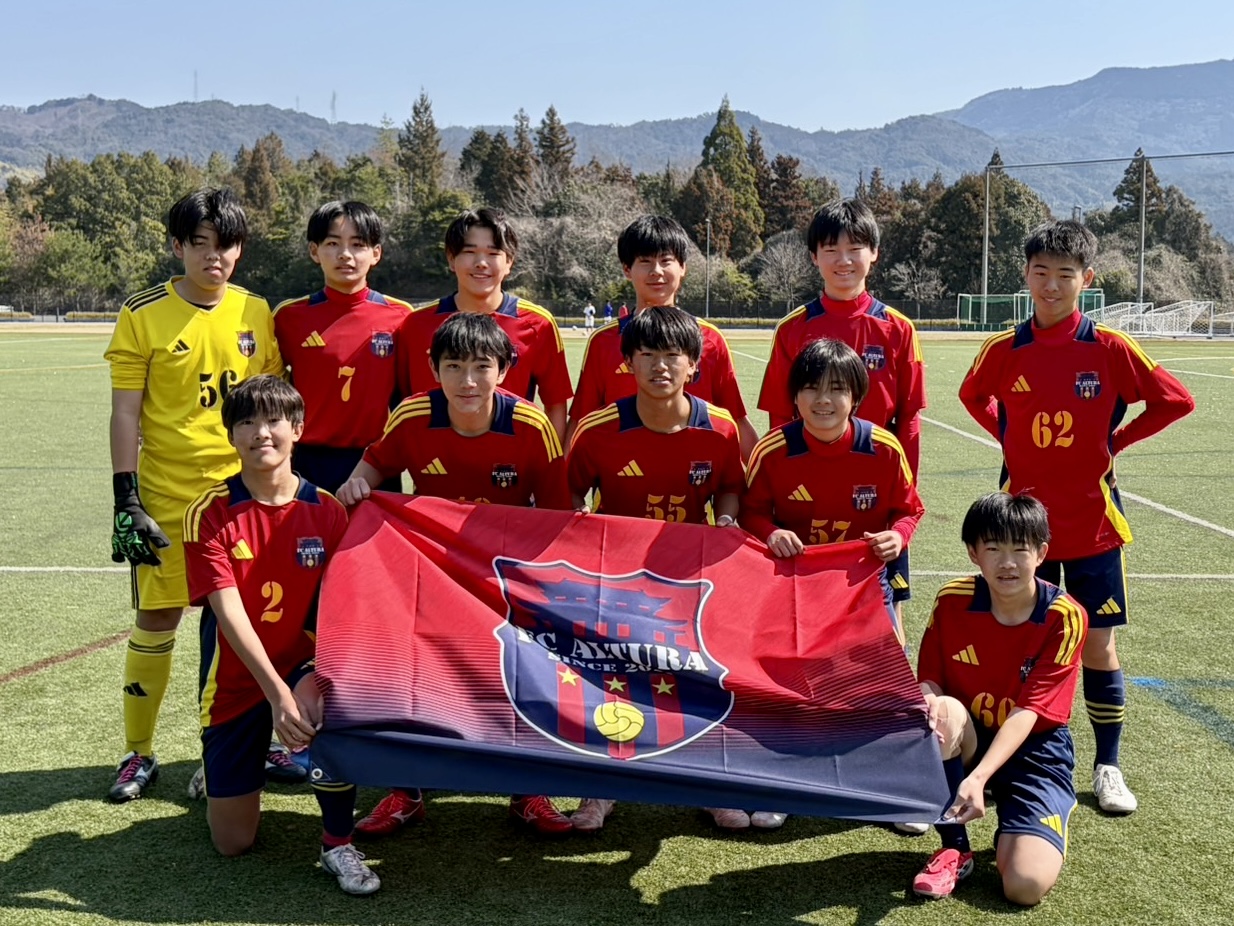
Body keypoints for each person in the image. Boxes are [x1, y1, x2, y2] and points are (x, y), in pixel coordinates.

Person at [959, 220, 1194, 814]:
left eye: (1065, 274)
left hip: (1093, 524)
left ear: (1086, 280)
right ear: (1026, 275)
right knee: (1022, 643)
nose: (1051, 284)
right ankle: (1016, 760)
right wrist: (1009, 437)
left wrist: (1116, 441)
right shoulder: (1003, 349)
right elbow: (972, 395)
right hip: (1020, 529)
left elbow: (1175, 400)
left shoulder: (1109, 347)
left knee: (1096, 646)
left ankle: (1107, 764)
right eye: (1041, 272)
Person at [338, 313, 575, 837]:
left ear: (504, 370)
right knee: (410, 674)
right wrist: (357, 484)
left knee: (523, 676)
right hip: (430, 573)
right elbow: (373, 465)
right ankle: (406, 789)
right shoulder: (412, 415)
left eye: (481, 367)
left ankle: (529, 790)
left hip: (506, 578)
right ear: (433, 369)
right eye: (454, 367)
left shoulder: (532, 426)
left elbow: (556, 519)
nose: (468, 381)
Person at [104, 188, 284, 802]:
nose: (214, 257)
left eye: (225, 245)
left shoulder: (255, 311)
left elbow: (271, 410)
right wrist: (126, 499)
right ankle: (138, 752)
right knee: (157, 619)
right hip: (167, 498)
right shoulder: (143, 312)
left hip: (239, 499)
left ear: (240, 249)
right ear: (177, 246)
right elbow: (125, 413)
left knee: (238, 624)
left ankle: (223, 751)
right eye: (199, 244)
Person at [182, 375, 378, 894]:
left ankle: (337, 842)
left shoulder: (328, 511)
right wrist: (276, 696)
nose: (261, 433)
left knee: (330, 706)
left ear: (298, 429)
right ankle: (225, 766)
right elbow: (229, 615)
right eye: (246, 422)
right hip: (237, 677)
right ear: (231, 435)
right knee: (233, 842)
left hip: (302, 666)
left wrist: (306, 684)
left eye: (273, 421)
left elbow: (339, 608)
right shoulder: (209, 512)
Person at [566, 306, 745, 832]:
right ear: (628, 362)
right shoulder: (599, 429)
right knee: (609, 681)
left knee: (697, 680)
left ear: (694, 364)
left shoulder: (719, 428)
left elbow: (731, 488)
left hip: (689, 581)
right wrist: (580, 522)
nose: (660, 366)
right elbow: (570, 490)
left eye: (672, 355)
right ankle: (600, 789)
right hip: (614, 583)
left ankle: (708, 785)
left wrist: (726, 519)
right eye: (646, 355)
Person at [910, 492, 1086, 906]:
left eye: (1020, 549)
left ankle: (1032, 810)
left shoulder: (1064, 616)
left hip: (1033, 750)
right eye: (993, 549)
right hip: (970, 737)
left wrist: (978, 777)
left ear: (1041, 553)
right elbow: (929, 681)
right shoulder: (952, 600)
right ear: (973, 553)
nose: (1007, 563)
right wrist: (930, 714)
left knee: (1023, 886)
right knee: (942, 711)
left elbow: (1028, 712)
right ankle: (954, 848)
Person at [756, 198, 926, 625]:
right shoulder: (793, 328)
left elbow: (909, 418)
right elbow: (779, 418)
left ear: (875, 253)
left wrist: (903, 497)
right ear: (814, 256)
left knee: (886, 623)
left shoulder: (898, 329)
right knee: (797, 621)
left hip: (874, 492)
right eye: (831, 249)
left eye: (855, 248)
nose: (843, 260)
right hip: (806, 497)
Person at [567, 215, 759, 459]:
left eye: (666, 260)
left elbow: (736, 420)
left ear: (682, 267)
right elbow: (581, 422)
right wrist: (562, 478)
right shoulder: (603, 342)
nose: (656, 271)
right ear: (627, 269)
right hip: (620, 477)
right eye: (645, 261)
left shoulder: (710, 339)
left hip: (695, 476)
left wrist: (761, 475)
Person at [397, 207, 572, 441]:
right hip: (434, 460)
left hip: (511, 459)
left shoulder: (538, 324)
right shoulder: (416, 325)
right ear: (451, 258)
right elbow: (403, 402)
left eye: (493, 253)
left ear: (509, 262)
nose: (481, 263)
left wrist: (551, 459)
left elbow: (555, 405)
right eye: (469, 252)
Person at [273, 200, 412, 494]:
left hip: (375, 462)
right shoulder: (289, 317)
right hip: (308, 461)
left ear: (375, 253)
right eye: (333, 243)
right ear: (314, 251)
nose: (345, 254)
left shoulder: (401, 317)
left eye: (357, 244)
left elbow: (407, 398)